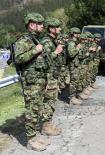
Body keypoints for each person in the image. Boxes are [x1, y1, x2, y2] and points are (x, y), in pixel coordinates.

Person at [14, 12, 50, 151]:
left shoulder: (35, 39)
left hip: (38, 81)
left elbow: (42, 63)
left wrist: (45, 81)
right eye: (39, 24)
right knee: (31, 110)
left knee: (37, 109)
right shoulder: (23, 41)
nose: (42, 26)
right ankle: (30, 141)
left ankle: (34, 136)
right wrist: (35, 50)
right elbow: (18, 59)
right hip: (30, 83)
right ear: (31, 24)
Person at [40, 17, 64, 137]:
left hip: (54, 76)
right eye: (58, 27)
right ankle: (45, 127)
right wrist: (56, 52)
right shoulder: (46, 42)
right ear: (51, 28)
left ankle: (48, 124)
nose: (60, 28)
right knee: (48, 101)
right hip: (48, 77)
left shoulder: (53, 40)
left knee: (52, 101)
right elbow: (45, 61)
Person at [67, 28, 88, 105]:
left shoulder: (75, 43)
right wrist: (77, 48)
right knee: (73, 81)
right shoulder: (71, 43)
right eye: (77, 33)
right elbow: (71, 54)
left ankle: (74, 97)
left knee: (75, 81)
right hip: (73, 65)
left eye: (79, 33)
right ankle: (71, 99)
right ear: (73, 34)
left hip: (76, 64)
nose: (79, 35)